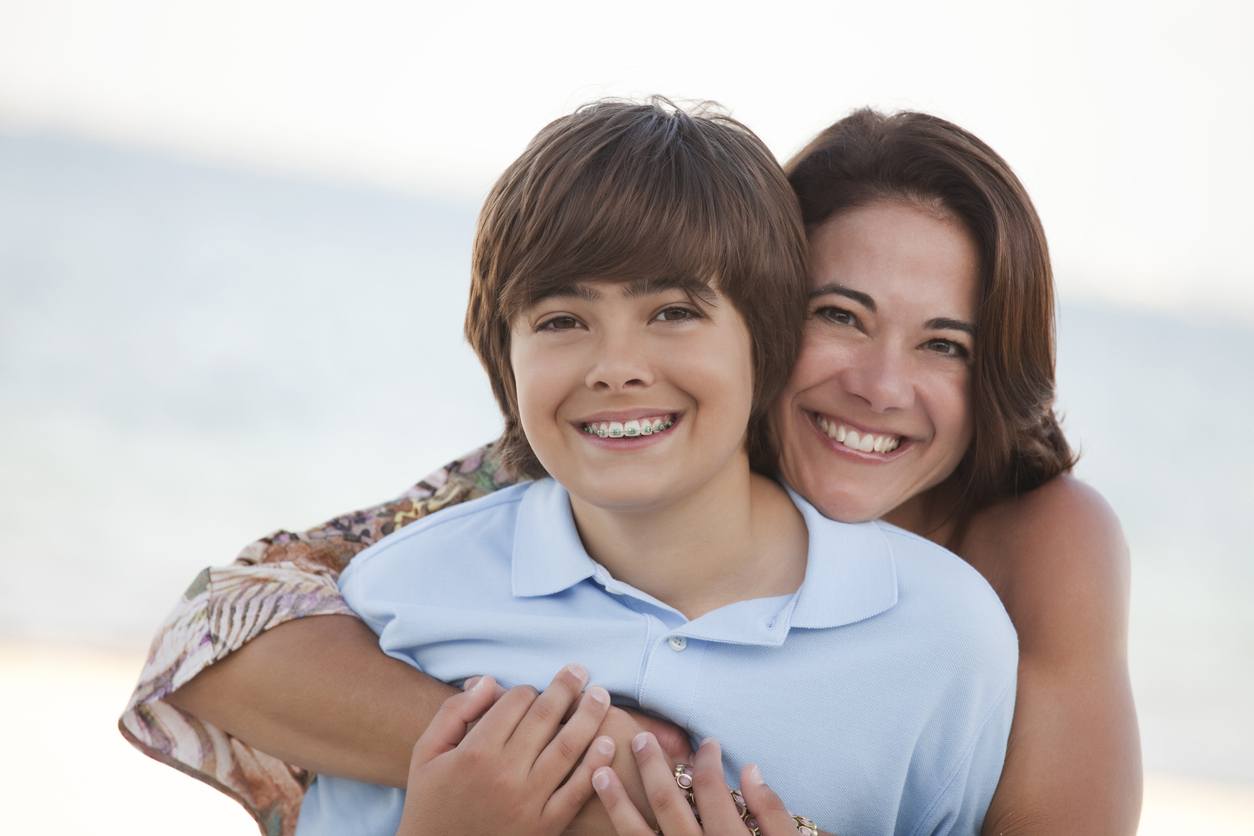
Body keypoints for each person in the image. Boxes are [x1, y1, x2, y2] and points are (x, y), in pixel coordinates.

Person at [119, 104, 1140, 835]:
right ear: (777, 315)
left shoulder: (1001, 576)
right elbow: (228, 625)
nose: (878, 384)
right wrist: (576, 757)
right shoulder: (559, 472)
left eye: (945, 345)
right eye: (841, 315)